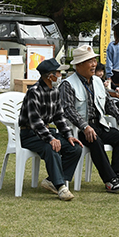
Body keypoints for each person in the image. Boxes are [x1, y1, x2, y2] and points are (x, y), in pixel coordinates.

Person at [59, 46, 119, 193]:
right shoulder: (67, 84)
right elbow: (68, 110)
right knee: (95, 139)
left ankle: (117, 176)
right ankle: (109, 180)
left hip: (98, 124)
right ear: (78, 65)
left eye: (94, 60)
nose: (94, 64)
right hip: (77, 130)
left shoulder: (97, 81)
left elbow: (108, 103)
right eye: (89, 61)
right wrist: (84, 126)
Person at [18, 58, 82, 201]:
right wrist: (51, 139)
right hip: (29, 134)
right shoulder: (33, 92)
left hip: (45, 133)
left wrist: (68, 135)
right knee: (51, 148)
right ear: (50, 76)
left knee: (75, 148)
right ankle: (60, 186)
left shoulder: (55, 91)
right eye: (58, 73)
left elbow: (59, 117)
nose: (60, 76)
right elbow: (35, 122)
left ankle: (52, 180)